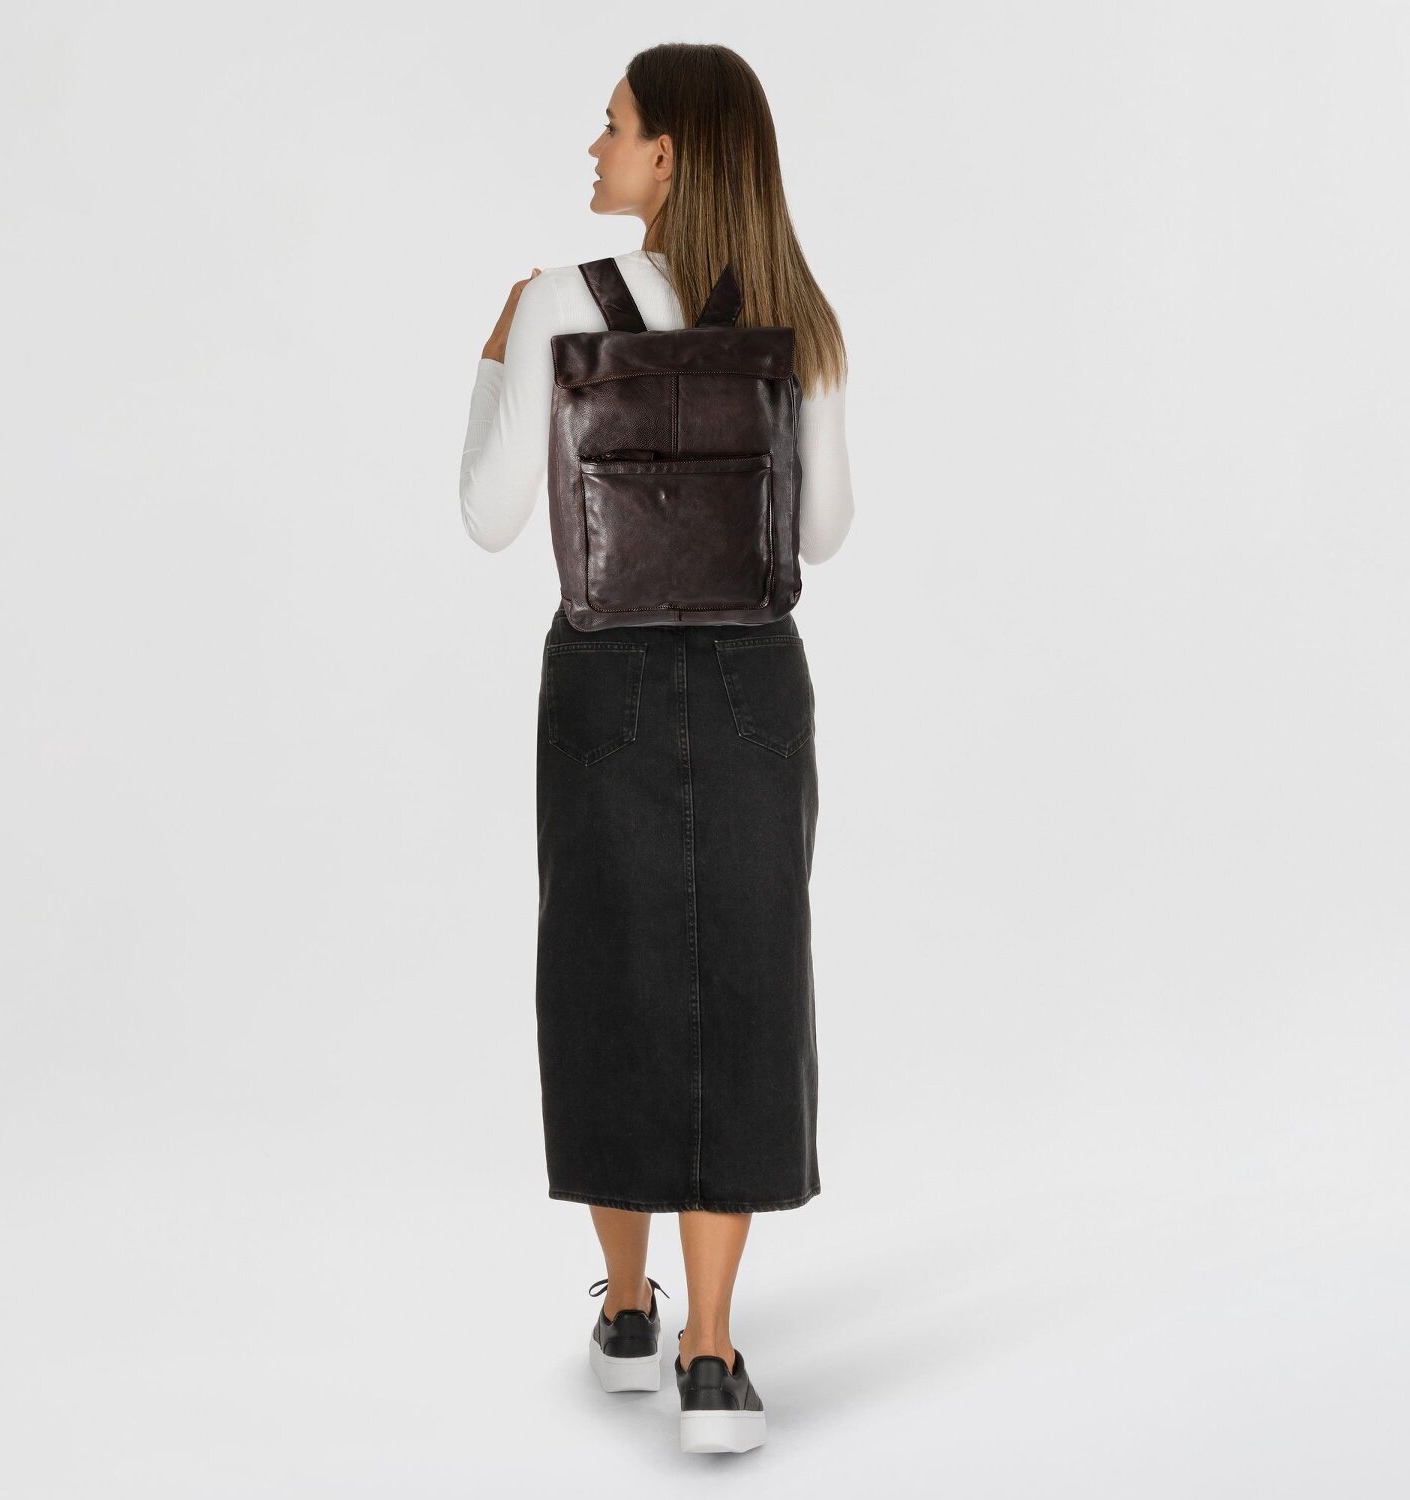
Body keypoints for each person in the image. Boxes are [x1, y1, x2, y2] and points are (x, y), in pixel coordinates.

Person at [458, 43, 854, 1454]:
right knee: (745, 984)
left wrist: (497, 351)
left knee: (609, 976)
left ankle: (626, 1312)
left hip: (607, 676)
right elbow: (822, 533)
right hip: (754, 682)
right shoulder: (801, 315)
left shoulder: (561, 301)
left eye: (615, 124)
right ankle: (714, 1352)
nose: (596, 146)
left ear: (671, 152)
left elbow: (489, 516)